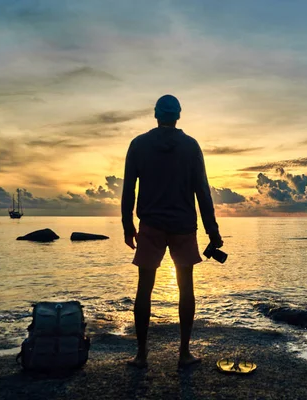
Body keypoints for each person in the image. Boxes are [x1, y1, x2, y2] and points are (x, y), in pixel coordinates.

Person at [121, 94, 223, 368]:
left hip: (150, 226)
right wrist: (213, 231)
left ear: (156, 115)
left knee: (145, 288)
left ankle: (142, 355)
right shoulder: (190, 147)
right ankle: (184, 353)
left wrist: (127, 225)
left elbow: (128, 188)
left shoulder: (138, 145)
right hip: (183, 228)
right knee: (185, 288)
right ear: (178, 116)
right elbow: (202, 191)